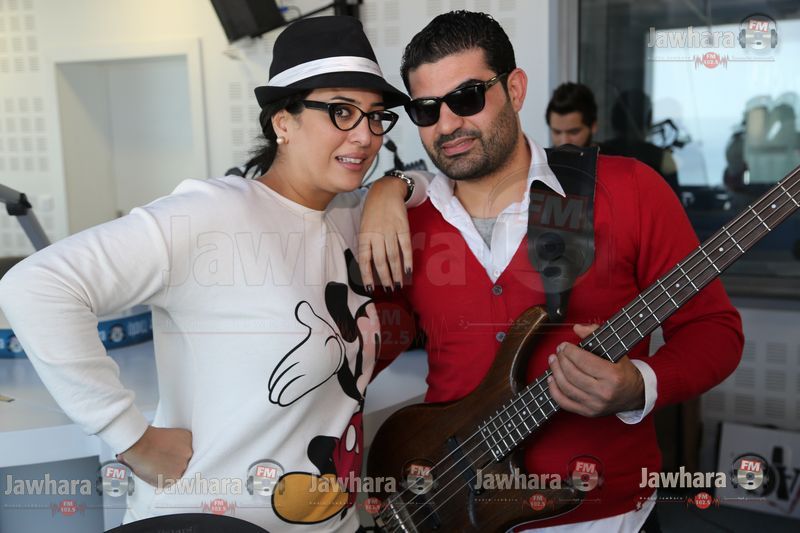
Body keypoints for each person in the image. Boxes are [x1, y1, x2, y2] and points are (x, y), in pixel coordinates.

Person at [0, 16, 423, 532]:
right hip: (206, 522)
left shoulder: (347, 214)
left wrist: (391, 188)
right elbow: (36, 286)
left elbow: (434, 182)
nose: (366, 136)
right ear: (283, 122)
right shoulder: (213, 213)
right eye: (341, 111)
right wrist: (130, 436)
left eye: (376, 117)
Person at [360, 10, 743, 532]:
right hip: (452, 511)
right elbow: (364, 349)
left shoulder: (628, 190)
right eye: (426, 110)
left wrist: (639, 384)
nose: (446, 125)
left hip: (605, 516)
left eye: (467, 98)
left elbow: (713, 329)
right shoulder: (407, 224)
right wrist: (385, 189)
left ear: (515, 89)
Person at [600, 89, 681, 195]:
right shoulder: (662, 159)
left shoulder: (600, 153)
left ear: (614, 119)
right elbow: (674, 202)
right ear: (647, 120)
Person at [545, 82, 598, 148]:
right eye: (557, 132)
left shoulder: (609, 153)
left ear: (593, 126)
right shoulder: (541, 154)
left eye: (574, 132)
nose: (564, 141)